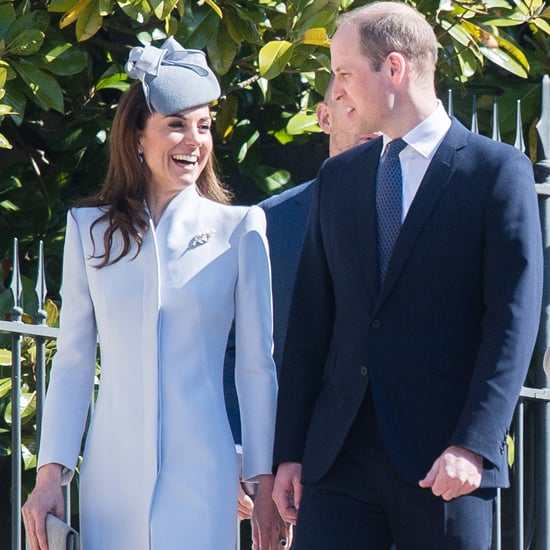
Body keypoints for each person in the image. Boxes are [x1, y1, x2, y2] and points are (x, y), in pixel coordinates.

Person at [271, 3, 543, 549]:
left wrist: (475, 444)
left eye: (344, 72)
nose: (336, 89)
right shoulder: (339, 177)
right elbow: (310, 323)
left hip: (445, 465)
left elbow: (512, 320)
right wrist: (290, 453)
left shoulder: (495, 172)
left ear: (393, 69)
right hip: (338, 462)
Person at [22, 36, 280, 550]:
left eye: (204, 126)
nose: (195, 140)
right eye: (177, 124)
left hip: (205, 477)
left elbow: (256, 365)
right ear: (138, 136)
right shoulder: (87, 229)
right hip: (110, 477)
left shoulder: (240, 228)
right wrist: (50, 475)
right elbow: (72, 363)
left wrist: (263, 481)